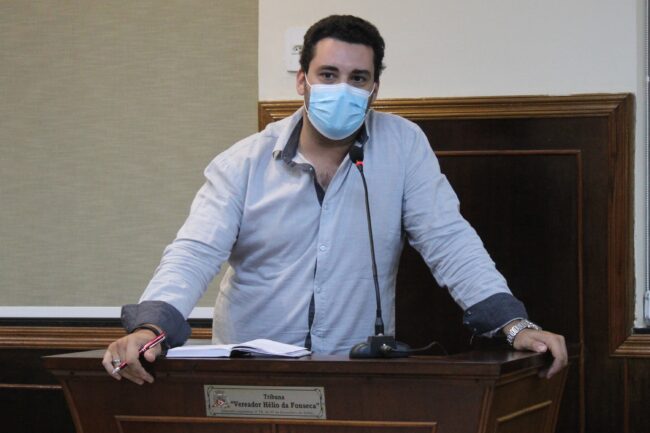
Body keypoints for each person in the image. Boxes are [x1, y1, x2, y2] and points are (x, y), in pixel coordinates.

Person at [103, 15, 567, 385]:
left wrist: (513, 325)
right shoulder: (242, 163)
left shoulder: (403, 146)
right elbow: (194, 253)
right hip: (252, 376)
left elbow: (449, 241)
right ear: (302, 81)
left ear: (374, 90)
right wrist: (151, 328)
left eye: (357, 78)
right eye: (328, 74)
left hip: (355, 375)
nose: (342, 88)